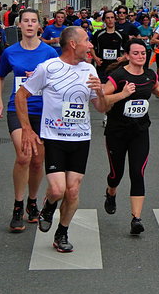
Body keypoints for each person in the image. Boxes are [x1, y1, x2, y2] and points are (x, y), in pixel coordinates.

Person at [15, 26, 108, 252]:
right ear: (73, 44)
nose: (91, 45)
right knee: (57, 190)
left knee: (73, 190)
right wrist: (26, 129)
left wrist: (102, 93)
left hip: (80, 138)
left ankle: (62, 232)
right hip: (54, 137)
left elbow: (101, 107)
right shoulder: (49, 68)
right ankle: (49, 205)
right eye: (87, 40)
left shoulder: (89, 70)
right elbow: (21, 95)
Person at [0, 9, 58, 233]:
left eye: (34, 21)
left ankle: (33, 201)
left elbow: (58, 79)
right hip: (18, 108)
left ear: (39, 26)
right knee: (23, 155)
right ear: (19, 26)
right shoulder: (10, 52)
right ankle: (17, 205)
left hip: (43, 111)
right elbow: (0, 75)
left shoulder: (49, 52)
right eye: (26, 21)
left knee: (37, 161)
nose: (30, 25)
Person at [102, 39, 159, 234]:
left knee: (137, 173)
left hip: (140, 131)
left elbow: (156, 89)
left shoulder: (150, 75)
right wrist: (122, 94)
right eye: (136, 53)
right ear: (128, 55)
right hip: (117, 131)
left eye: (143, 53)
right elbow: (103, 98)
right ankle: (110, 192)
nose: (141, 56)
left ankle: (136, 219)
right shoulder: (119, 75)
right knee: (116, 174)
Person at [90, 10, 128, 83]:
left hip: (116, 67)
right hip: (102, 67)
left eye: (112, 17)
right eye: (107, 18)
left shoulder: (121, 35)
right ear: (104, 20)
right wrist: (95, 58)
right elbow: (91, 47)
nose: (110, 20)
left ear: (115, 19)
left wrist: (123, 58)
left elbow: (129, 49)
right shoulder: (98, 34)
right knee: (102, 89)